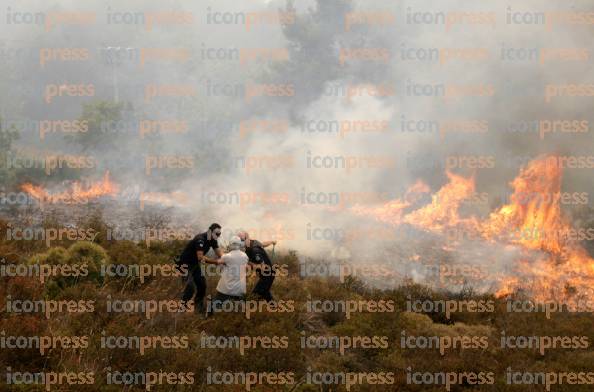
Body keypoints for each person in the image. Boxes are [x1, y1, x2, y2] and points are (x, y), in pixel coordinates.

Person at [178, 223, 224, 315]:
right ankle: (181, 311)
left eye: (220, 234)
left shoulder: (213, 239)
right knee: (190, 287)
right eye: (217, 234)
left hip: (194, 264)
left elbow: (220, 254)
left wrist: (229, 258)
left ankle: (198, 309)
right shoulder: (200, 239)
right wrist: (216, 262)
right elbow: (200, 257)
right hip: (184, 265)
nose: (218, 236)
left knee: (202, 285)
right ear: (210, 231)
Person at [210, 236, 251, 314]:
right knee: (240, 308)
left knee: (216, 304)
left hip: (226, 288)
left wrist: (205, 259)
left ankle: (208, 317)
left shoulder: (227, 256)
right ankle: (242, 319)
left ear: (230, 244)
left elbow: (218, 262)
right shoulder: (245, 256)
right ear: (240, 245)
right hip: (240, 289)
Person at [237, 231, 277, 301]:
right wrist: (272, 241)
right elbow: (263, 244)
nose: (240, 242)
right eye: (239, 240)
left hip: (268, 275)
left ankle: (248, 309)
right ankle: (275, 308)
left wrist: (248, 263)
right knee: (264, 292)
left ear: (247, 239)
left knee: (255, 294)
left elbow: (263, 267)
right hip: (265, 275)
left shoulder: (255, 251)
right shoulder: (253, 242)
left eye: (242, 240)